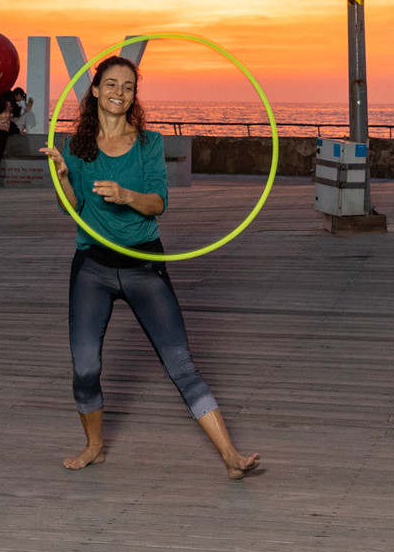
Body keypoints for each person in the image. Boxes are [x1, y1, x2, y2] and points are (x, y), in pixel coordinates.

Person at [42, 55, 261, 480]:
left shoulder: (149, 143)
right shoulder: (76, 147)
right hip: (93, 268)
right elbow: (75, 209)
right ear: (95, 89)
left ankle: (231, 456)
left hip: (144, 264)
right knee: (85, 367)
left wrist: (126, 196)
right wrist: (65, 176)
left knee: (181, 363)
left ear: (134, 95)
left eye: (127, 86)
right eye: (110, 84)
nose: (118, 93)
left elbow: (159, 202)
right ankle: (94, 446)